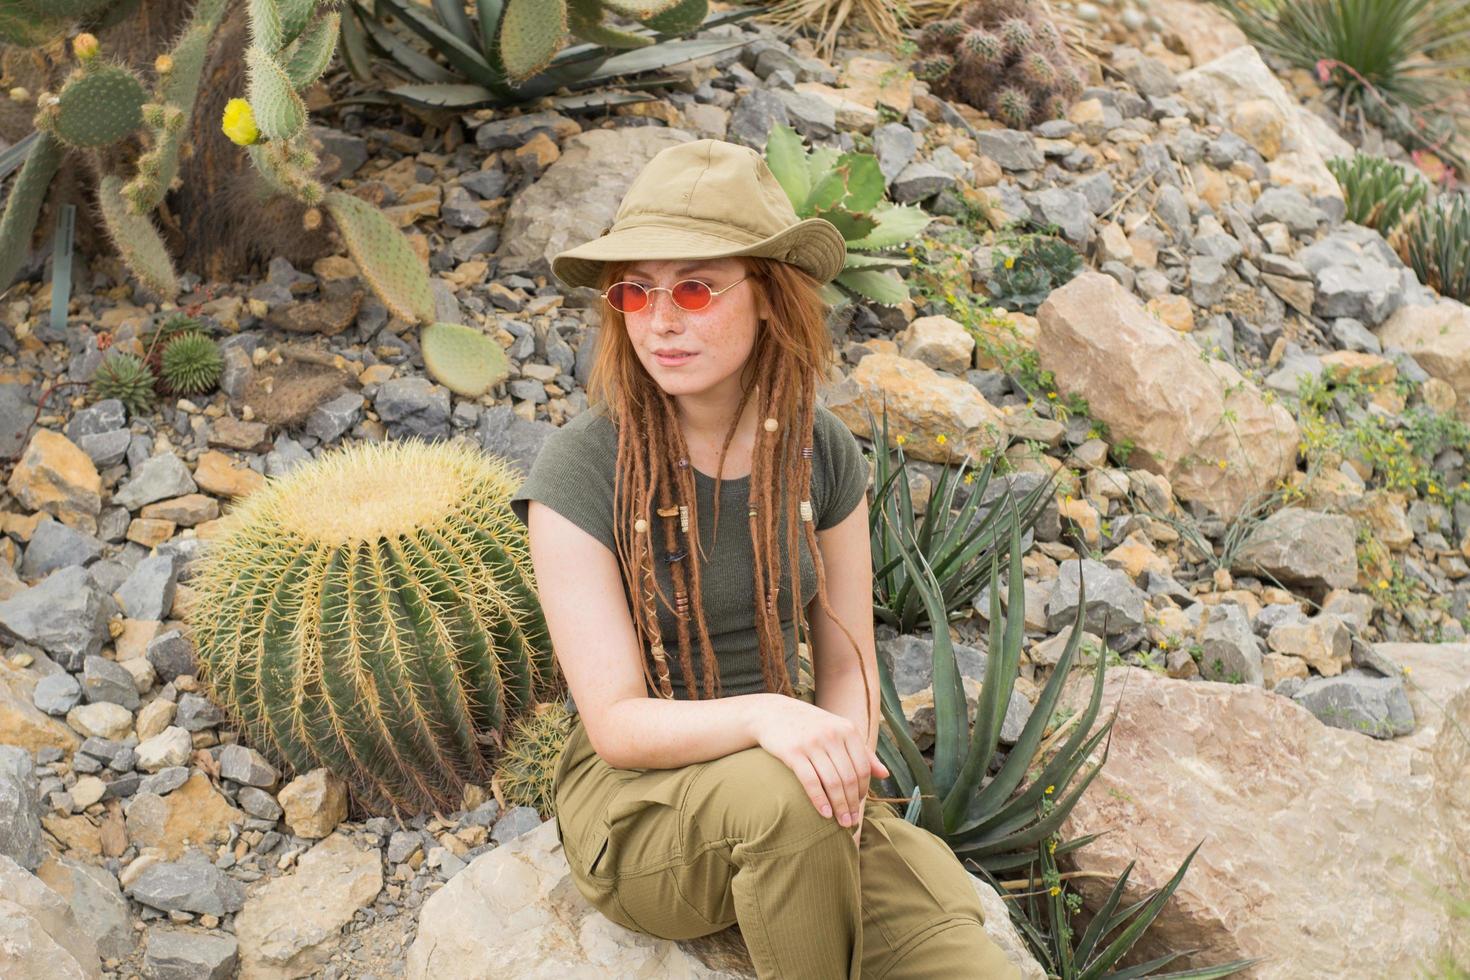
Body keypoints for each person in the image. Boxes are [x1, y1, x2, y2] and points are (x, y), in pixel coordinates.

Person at [508, 138, 1021, 979]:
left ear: (770, 298)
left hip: (801, 790)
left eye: (697, 287)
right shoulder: (581, 469)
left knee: (965, 958)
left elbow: (849, 663)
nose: (662, 320)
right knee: (785, 804)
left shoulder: (820, 451)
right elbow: (616, 723)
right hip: (644, 808)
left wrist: (845, 775)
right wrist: (768, 719)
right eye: (636, 291)